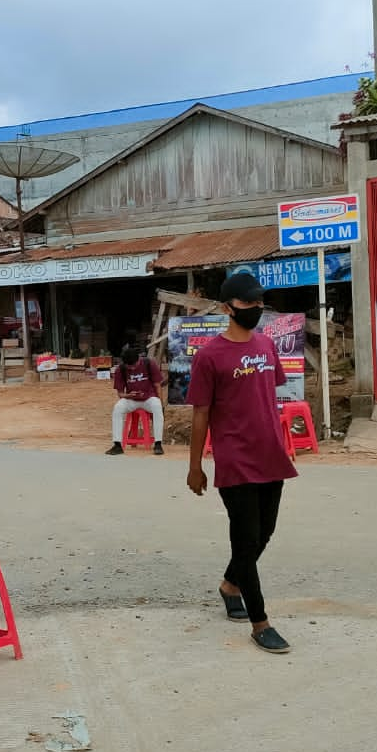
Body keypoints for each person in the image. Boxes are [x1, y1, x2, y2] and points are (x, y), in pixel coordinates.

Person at [185, 271, 297, 654]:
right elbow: (201, 413)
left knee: (264, 532)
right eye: (248, 303)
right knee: (245, 536)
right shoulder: (209, 356)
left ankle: (230, 584)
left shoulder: (267, 346)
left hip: (270, 453)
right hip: (234, 458)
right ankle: (259, 621)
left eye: (259, 302)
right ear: (226, 308)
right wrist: (195, 464)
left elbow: (269, 398)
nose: (256, 309)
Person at [106, 344, 166, 456]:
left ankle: (158, 444)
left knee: (157, 406)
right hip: (131, 400)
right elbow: (120, 393)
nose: (132, 368)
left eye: (134, 365)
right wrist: (129, 395)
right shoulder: (121, 369)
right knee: (117, 408)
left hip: (149, 398)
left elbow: (158, 385)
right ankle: (117, 444)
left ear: (139, 359)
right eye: (130, 367)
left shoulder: (149, 364)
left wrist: (161, 404)